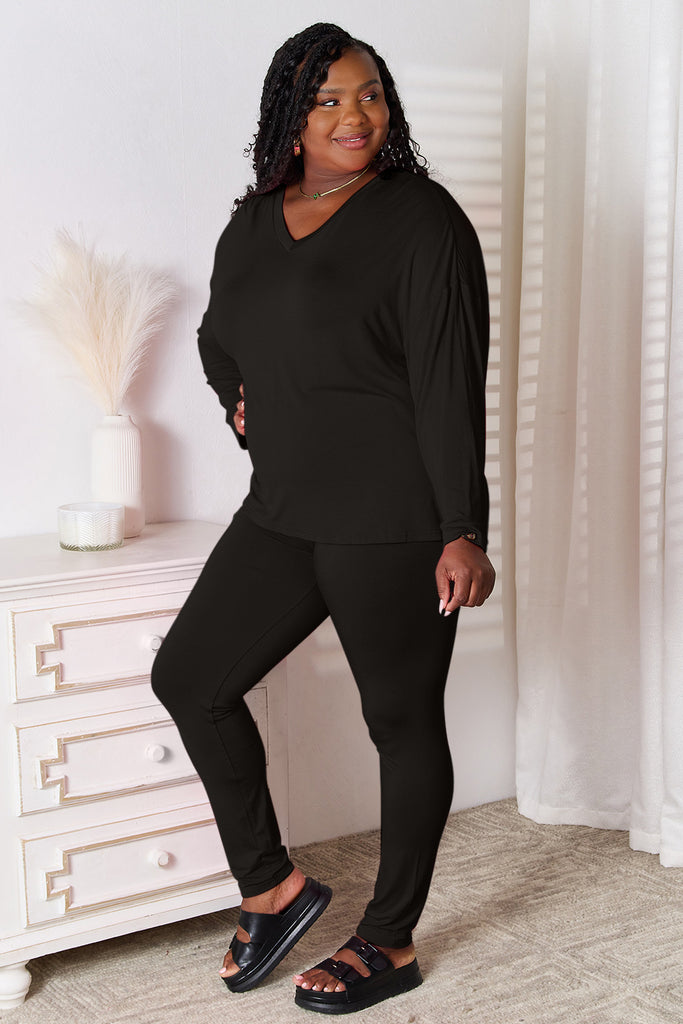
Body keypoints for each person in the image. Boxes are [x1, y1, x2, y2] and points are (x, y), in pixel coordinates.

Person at [151, 21, 495, 1016]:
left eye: (370, 94)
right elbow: (219, 336)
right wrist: (238, 400)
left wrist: (461, 526)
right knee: (191, 679)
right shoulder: (255, 221)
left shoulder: (420, 219)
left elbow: (448, 381)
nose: (355, 116)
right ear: (289, 120)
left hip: (391, 517)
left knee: (398, 723)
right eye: (328, 100)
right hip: (284, 508)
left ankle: (389, 940)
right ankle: (274, 889)